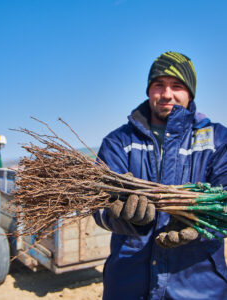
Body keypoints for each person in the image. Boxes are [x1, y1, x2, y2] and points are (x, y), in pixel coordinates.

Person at [94, 51, 227, 300]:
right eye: (159, 85)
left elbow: (226, 203)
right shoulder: (118, 142)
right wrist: (125, 218)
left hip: (199, 287)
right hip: (128, 285)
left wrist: (198, 224)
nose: (167, 94)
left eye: (177, 86)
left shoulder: (218, 140)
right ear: (148, 90)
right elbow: (97, 208)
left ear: (190, 93)